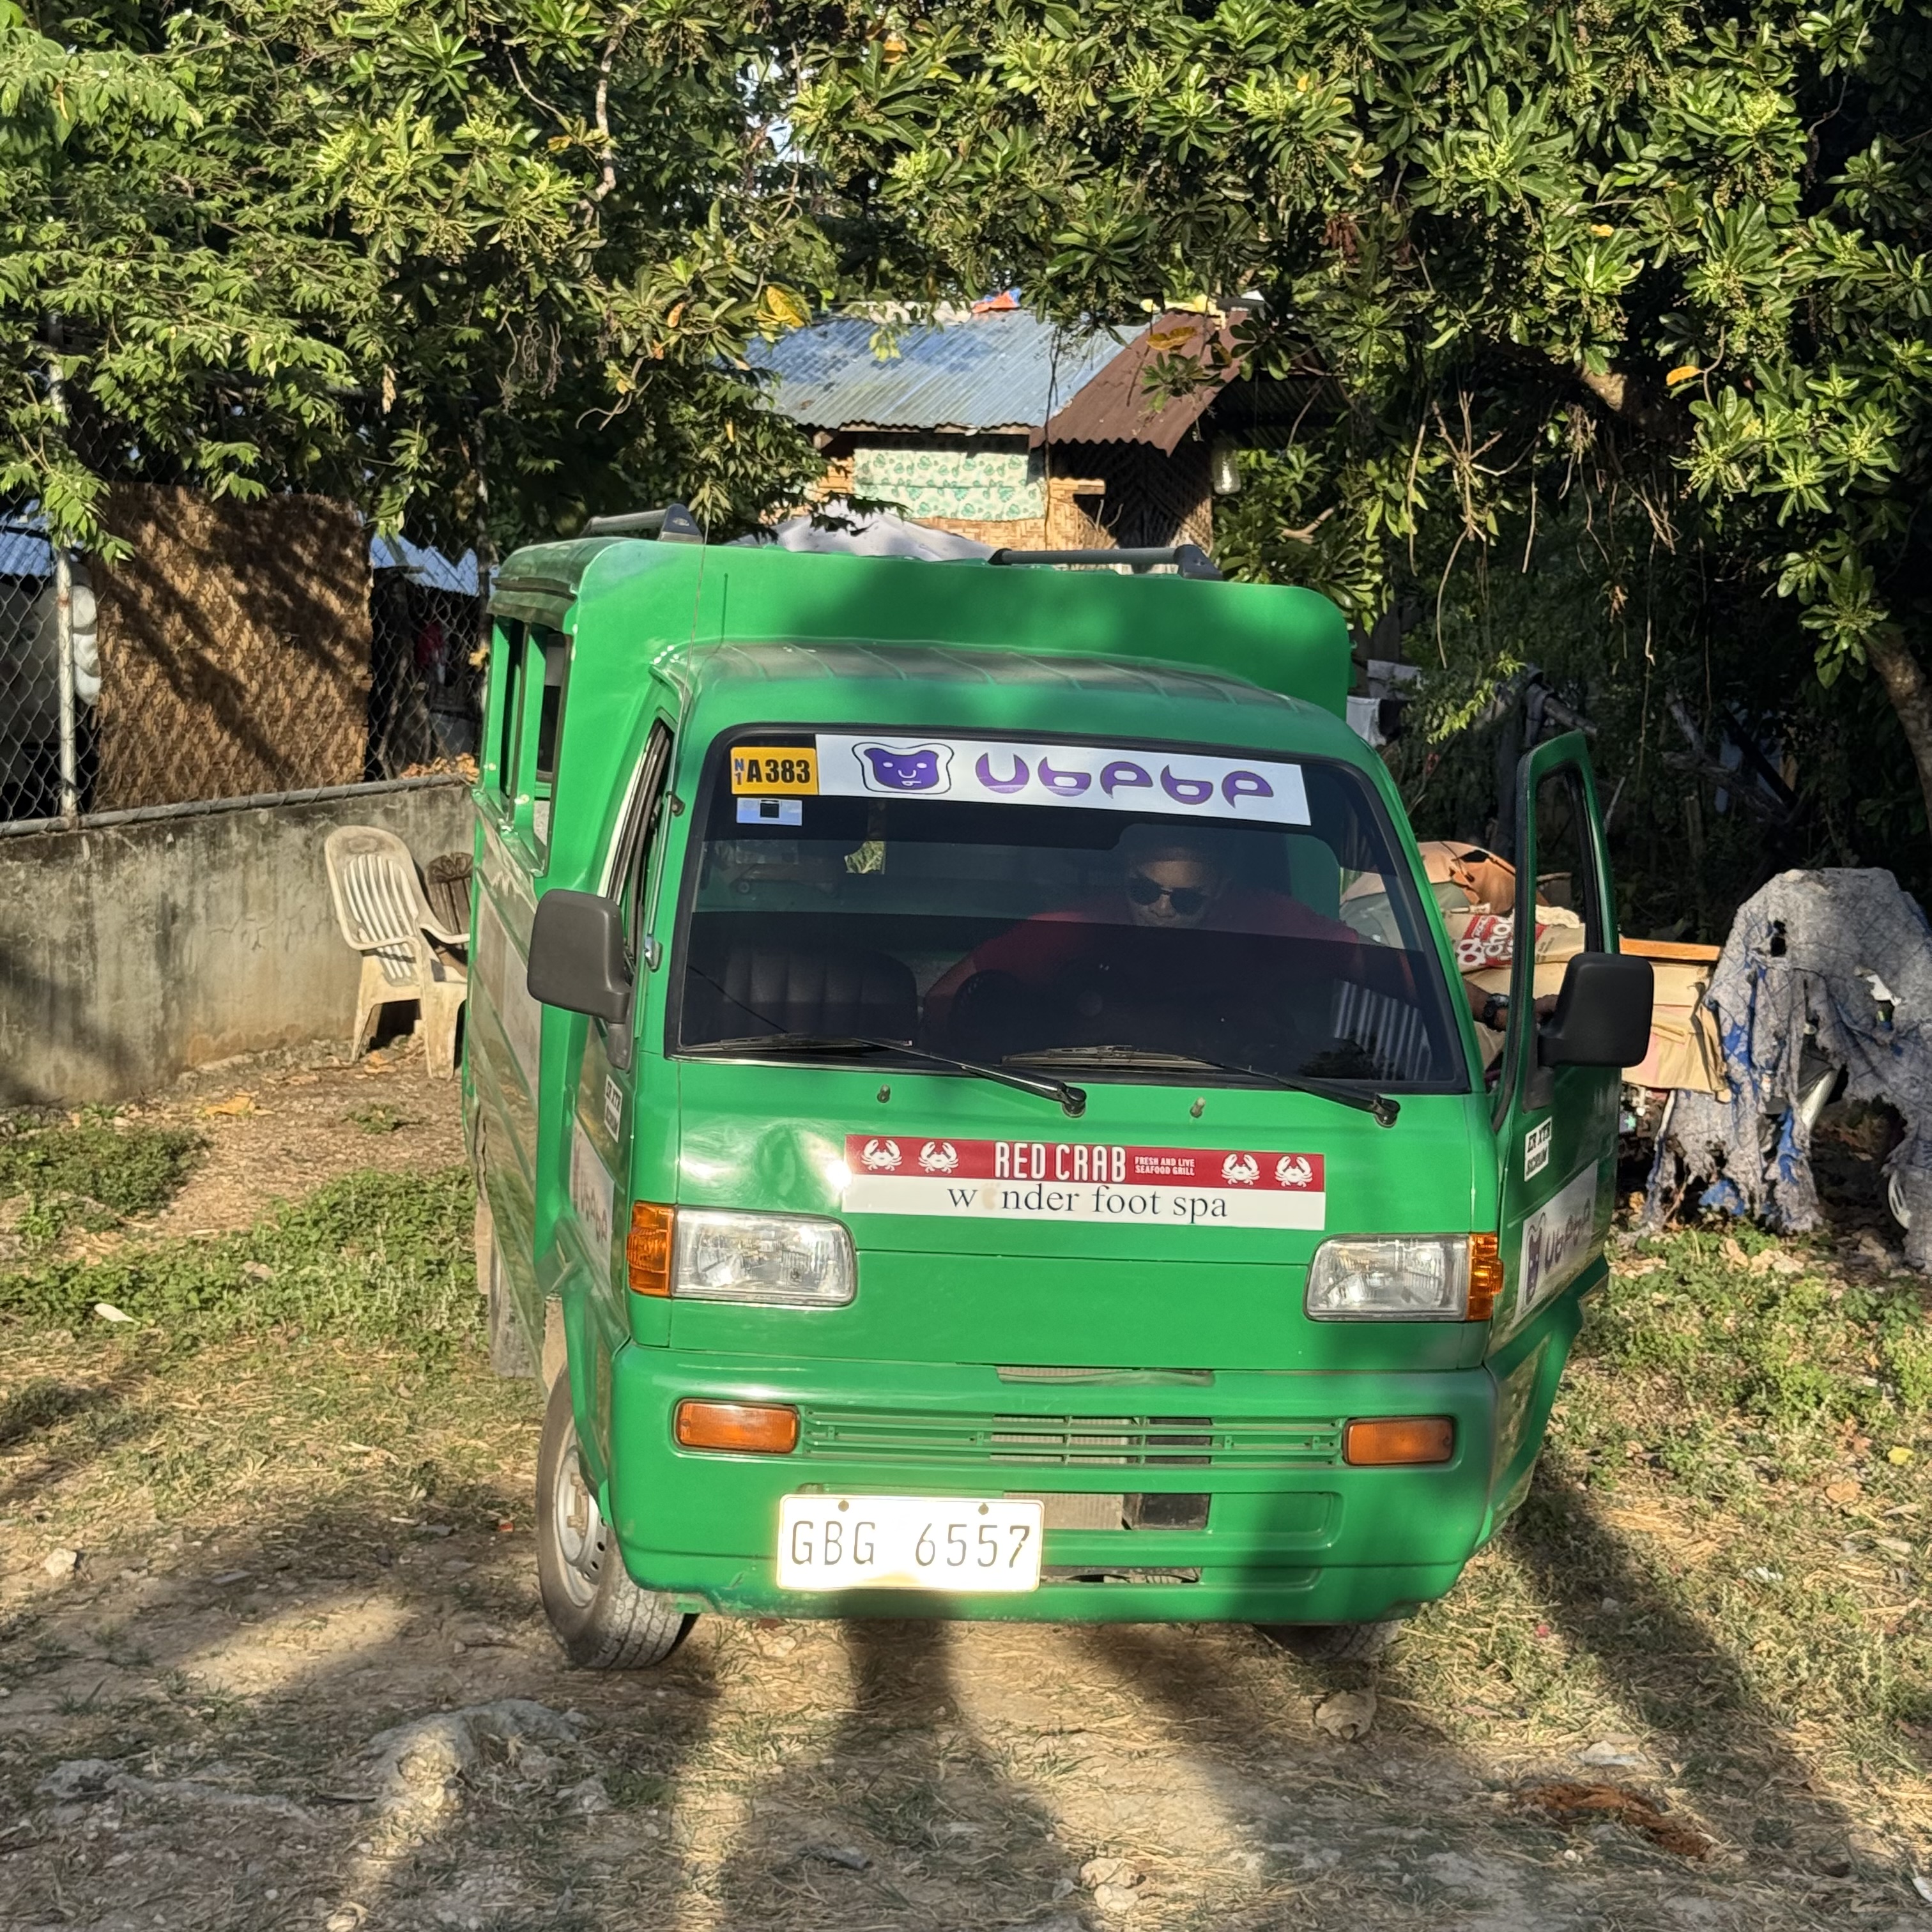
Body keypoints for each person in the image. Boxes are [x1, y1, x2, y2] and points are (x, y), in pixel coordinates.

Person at [923, 825, 1358, 1040]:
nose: (1161, 910)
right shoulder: (1075, 929)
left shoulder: (1266, 920)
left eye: (1186, 900)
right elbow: (945, 1001)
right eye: (1144, 891)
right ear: (1125, 876)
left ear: (1221, 890)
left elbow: (1377, 965)